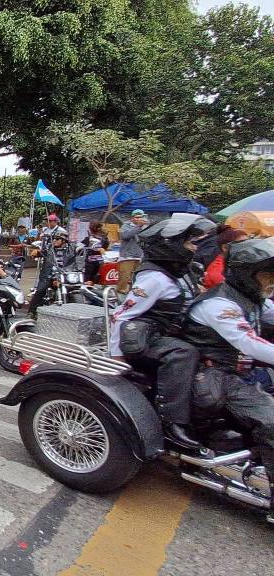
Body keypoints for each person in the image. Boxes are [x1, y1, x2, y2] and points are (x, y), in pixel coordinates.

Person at [182, 238, 274, 518]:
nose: (271, 280)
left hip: (246, 371)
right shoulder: (219, 305)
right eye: (266, 274)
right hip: (219, 375)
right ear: (246, 274)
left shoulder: (254, 298)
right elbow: (250, 344)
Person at [108, 214, 216, 449]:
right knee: (183, 353)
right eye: (188, 243)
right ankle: (173, 422)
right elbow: (120, 315)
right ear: (171, 245)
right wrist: (116, 359)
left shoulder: (182, 271)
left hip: (172, 333)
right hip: (148, 338)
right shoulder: (154, 278)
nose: (193, 248)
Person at [27, 229, 77, 318]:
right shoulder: (49, 249)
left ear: (63, 241)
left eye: (57, 239)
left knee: (76, 290)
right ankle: (32, 311)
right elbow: (40, 252)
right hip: (48, 276)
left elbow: (81, 251)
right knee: (40, 290)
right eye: (53, 239)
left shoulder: (72, 249)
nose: (54, 241)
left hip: (64, 276)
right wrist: (35, 252)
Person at [118, 209, 148, 293]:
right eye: (137, 217)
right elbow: (125, 236)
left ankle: (133, 293)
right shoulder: (126, 225)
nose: (139, 219)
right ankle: (120, 293)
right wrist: (138, 226)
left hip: (140, 256)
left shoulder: (145, 227)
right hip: (127, 256)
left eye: (141, 217)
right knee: (125, 277)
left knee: (137, 277)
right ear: (132, 218)